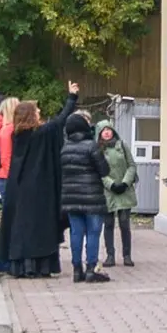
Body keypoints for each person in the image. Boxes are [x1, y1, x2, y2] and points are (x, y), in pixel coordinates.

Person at [0, 83, 79, 278]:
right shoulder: (40, 134)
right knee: (38, 228)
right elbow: (60, 121)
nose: (40, 111)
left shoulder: (17, 135)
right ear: (31, 115)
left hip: (19, 189)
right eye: (37, 110)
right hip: (39, 190)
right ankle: (39, 265)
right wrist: (72, 97)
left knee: (21, 227)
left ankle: (21, 265)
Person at [61, 113, 111, 284]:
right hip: (92, 198)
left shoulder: (65, 148)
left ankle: (76, 270)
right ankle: (91, 269)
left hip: (70, 198)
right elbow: (104, 170)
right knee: (93, 233)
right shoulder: (92, 146)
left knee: (76, 233)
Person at [96, 121, 138, 268]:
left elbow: (131, 165)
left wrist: (125, 182)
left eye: (109, 129)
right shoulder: (97, 149)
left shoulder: (122, 145)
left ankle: (127, 255)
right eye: (103, 130)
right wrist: (111, 184)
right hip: (108, 192)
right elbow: (98, 171)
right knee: (108, 224)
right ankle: (110, 256)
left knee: (124, 224)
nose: (107, 132)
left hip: (124, 190)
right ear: (99, 133)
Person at [0, 96, 19, 205]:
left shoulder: (4, 129)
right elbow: (6, 157)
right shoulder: (8, 130)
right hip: (8, 177)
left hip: (5, 176)